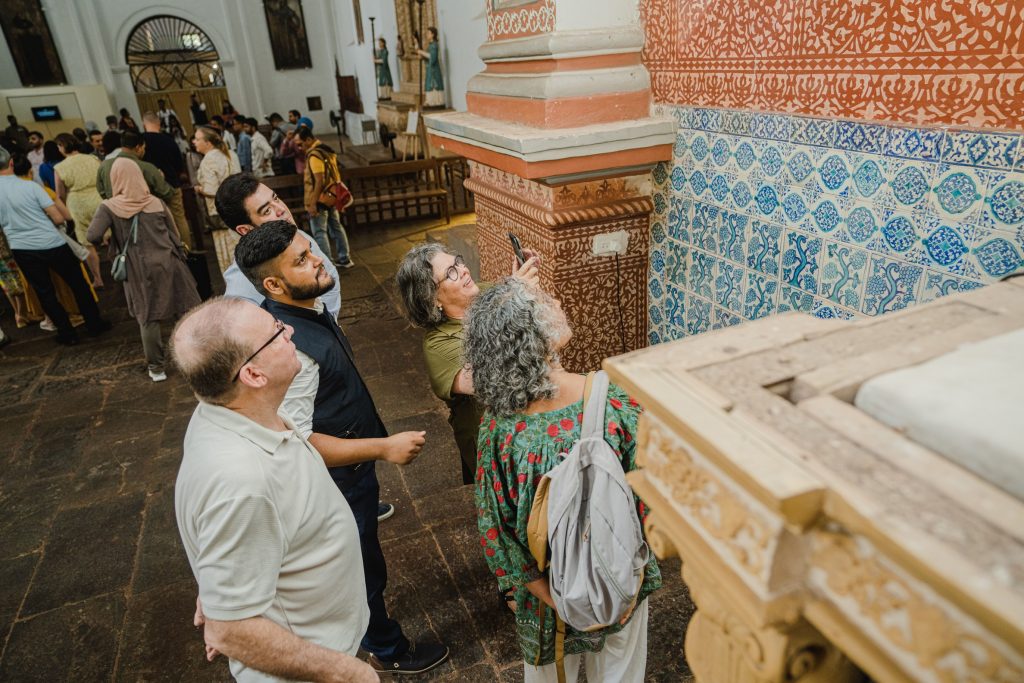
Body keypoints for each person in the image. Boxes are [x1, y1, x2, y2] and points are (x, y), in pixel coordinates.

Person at [234, 221, 450, 676]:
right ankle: (387, 649)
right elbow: (299, 440)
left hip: (352, 472)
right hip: (333, 483)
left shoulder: (307, 311)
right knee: (360, 568)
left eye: (310, 249)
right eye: (301, 260)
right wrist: (384, 447)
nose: (316, 260)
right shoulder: (294, 350)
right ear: (273, 284)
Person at [170, 297, 379, 683]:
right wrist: (348, 673)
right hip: (311, 668)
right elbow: (230, 630)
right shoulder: (241, 483)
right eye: (277, 333)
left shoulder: (234, 409)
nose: (291, 331)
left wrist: (222, 586)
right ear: (252, 374)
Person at [463, 277, 662, 683]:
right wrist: (630, 576)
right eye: (545, 301)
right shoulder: (612, 403)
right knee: (621, 671)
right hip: (618, 578)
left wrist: (548, 596)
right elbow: (648, 499)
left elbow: (496, 528)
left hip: (547, 590)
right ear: (537, 337)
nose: (556, 300)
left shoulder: (499, 430)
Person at [396, 243, 539, 484]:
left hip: (531, 417)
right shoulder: (438, 344)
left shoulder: (484, 292)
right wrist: (516, 298)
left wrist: (522, 283)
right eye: (451, 272)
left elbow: (529, 319)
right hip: (495, 441)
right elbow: (492, 377)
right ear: (432, 299)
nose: (463, 270)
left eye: (458, 261)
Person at [88, 159, 200, 381]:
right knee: (186, 313)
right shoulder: (156, 202)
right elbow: (174, 234)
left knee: (148, 317)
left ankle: (157, 368)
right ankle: (196, 360)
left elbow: (92, 236)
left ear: (115, 179)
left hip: (139, 269)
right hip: (170, 263)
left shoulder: (109, 207)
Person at [0, 146, 110, 345]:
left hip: (22, 248)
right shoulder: (31, 187)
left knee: (45, 292)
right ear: (11, 163)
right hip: (53, 243)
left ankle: (67, 333)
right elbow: (58, 218)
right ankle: (94, 324)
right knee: (78, 284)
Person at [216, 172, 340, 318]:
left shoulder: (298, 236)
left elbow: (330, 276)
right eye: (267, 210)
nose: (281, 209)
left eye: (276, 198)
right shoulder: (242, 286)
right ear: (246, 230)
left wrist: (327, 323)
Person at [53, 133, 104, 288]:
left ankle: (98, 279)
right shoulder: (93, 159)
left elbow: (60, 194)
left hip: (77, 204)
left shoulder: (59, 167)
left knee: (86, 243)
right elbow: (103, 179)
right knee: (111, 234)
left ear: (62, 146)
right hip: (97, 198)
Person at [298, 127, 351, 268]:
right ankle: (344, 258)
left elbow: (318, 180)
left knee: (320, 232)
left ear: (308, 140)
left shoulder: (315, 155)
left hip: (320, 199)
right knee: (336, 226)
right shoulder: (326, 150)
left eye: (301, 144)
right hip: (331, 196)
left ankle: (328, 264)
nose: (300, 147)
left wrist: (313, 203)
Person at [193, 125, 241, 271]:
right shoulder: (231, 154)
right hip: (237, 207)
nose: (194, 142)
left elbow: (211, 189)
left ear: (208, 143)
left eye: (197, 139)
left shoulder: (208, 160)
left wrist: (199, 189)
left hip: (219, 212)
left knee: (228, 258)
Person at [141, 111, 191, 249]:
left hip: (150, 188)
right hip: (172, 183)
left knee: (156, 220)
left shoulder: (140, 141)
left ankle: (165, 250)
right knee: (180, 219)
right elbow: (178, 164)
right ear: (158, 123)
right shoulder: (169, 140)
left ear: (143, 124)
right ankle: (187, 250)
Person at [96, 130, 175, 206]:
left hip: (118, 216)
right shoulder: (147, 168)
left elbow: (102, 192)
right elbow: (167, 194)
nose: (144, 151)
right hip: (144, 215)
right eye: (144, 148)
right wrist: (161, 178)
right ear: (138, 148)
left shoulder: (104, 166)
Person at [417, 27, 445, 108]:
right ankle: (430, 101)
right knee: (429, 83)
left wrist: (421, 52)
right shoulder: (430, 45)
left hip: (434, 69)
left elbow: (433, 57)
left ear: (433, 34)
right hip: (430, 69)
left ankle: (436, 102)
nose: (427, 35)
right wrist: (422, 56)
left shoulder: (434, 45)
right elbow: (428, 58)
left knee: (433, 84)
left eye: (428, 33)